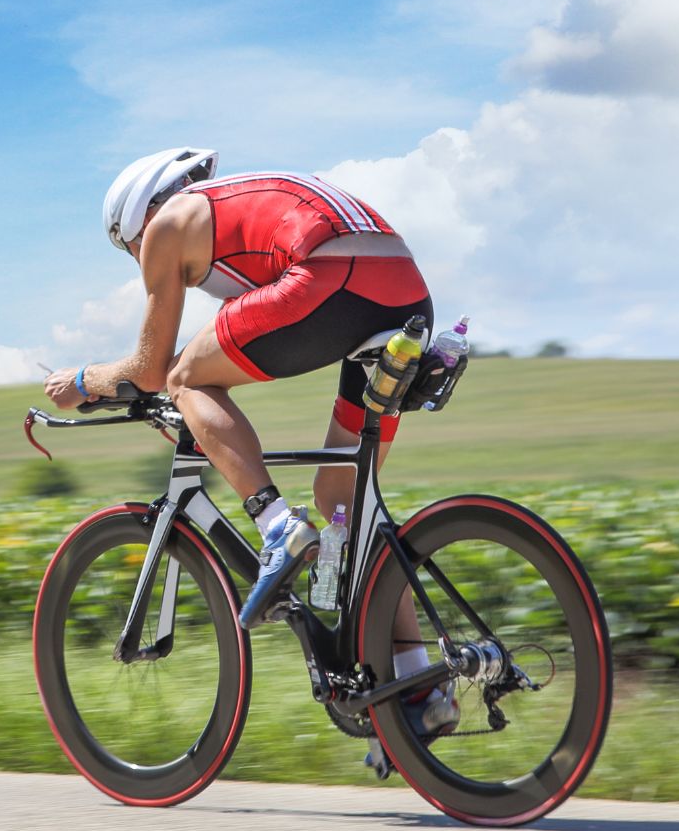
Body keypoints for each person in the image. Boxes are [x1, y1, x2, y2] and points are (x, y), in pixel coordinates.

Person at [43, 147, 457, 739]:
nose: (139, 263)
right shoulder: (239, 200)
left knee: (187, 377)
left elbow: (152, 369)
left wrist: (81, 382)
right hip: (403, 292)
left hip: (329, 275)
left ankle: (276, 526)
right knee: (342, 496)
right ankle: (420, 690)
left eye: (127, 250)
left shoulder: (168, 223)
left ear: (136, 219)